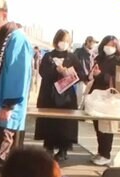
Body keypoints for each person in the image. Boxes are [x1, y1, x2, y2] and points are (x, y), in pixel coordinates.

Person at [0, 0, 33, 177]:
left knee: (2, 161)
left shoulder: (16, 38)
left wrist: (8, 105)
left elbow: (17, 73)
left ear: (4, 15)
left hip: (4, 111)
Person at [34, 30, 87, 161]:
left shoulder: (72, 57)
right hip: (49, 95)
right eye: (62, 40)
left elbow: (81, 74)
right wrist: (55, 71)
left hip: (66, 96)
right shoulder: (48, 56)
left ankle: (63, 150)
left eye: (66, 41)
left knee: (65, 124)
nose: (63, 43)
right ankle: (49, 147)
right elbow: (42, 72)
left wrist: (67, 73)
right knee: (49, 122)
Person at [89, 35, 120, 166]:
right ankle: (100, 151)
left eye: (113, 45)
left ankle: (106, 153)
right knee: (97, 125)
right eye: (107, 44)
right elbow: (92, 75)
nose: (109, 48)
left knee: (107, 126)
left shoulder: (118, 60)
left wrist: (101, 75)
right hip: (96, 95)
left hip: (109, 97)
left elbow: (116, 78)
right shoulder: (99, 58)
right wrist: (93, 74)